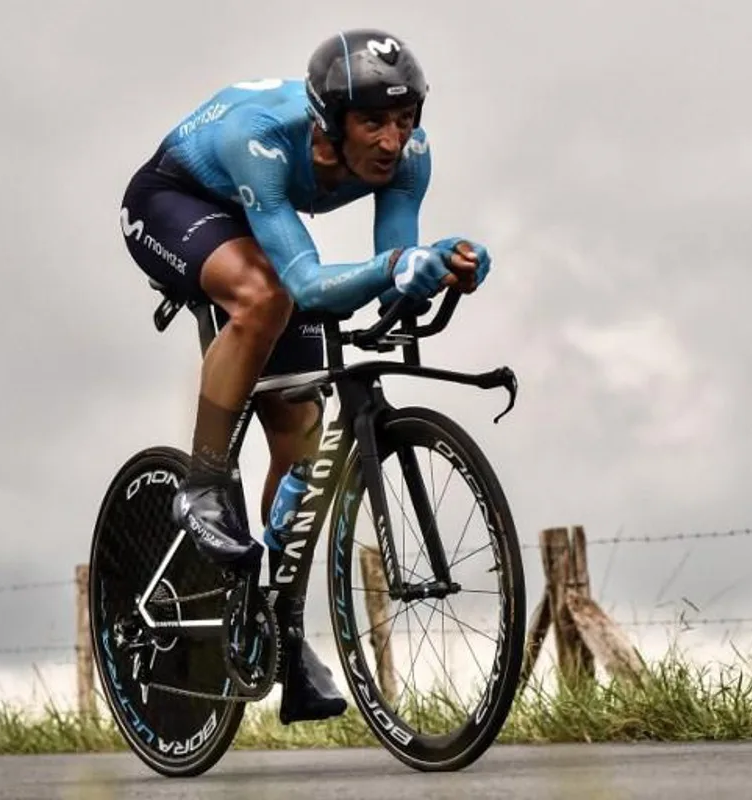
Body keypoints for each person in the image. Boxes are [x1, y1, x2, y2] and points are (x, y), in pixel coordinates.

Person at [117, 28, 492, 725]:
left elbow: (392, 277)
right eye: (373, 121)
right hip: (176, 200)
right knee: (267, 298)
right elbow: (308, 285)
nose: (391, 140)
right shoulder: (262, 138)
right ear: (328, 122)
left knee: (303, 442)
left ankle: (282, 635)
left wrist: (442, 270)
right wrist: (397, 269)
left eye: (405, 120)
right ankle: (200, 484)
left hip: (266, 223)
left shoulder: (409, 155)